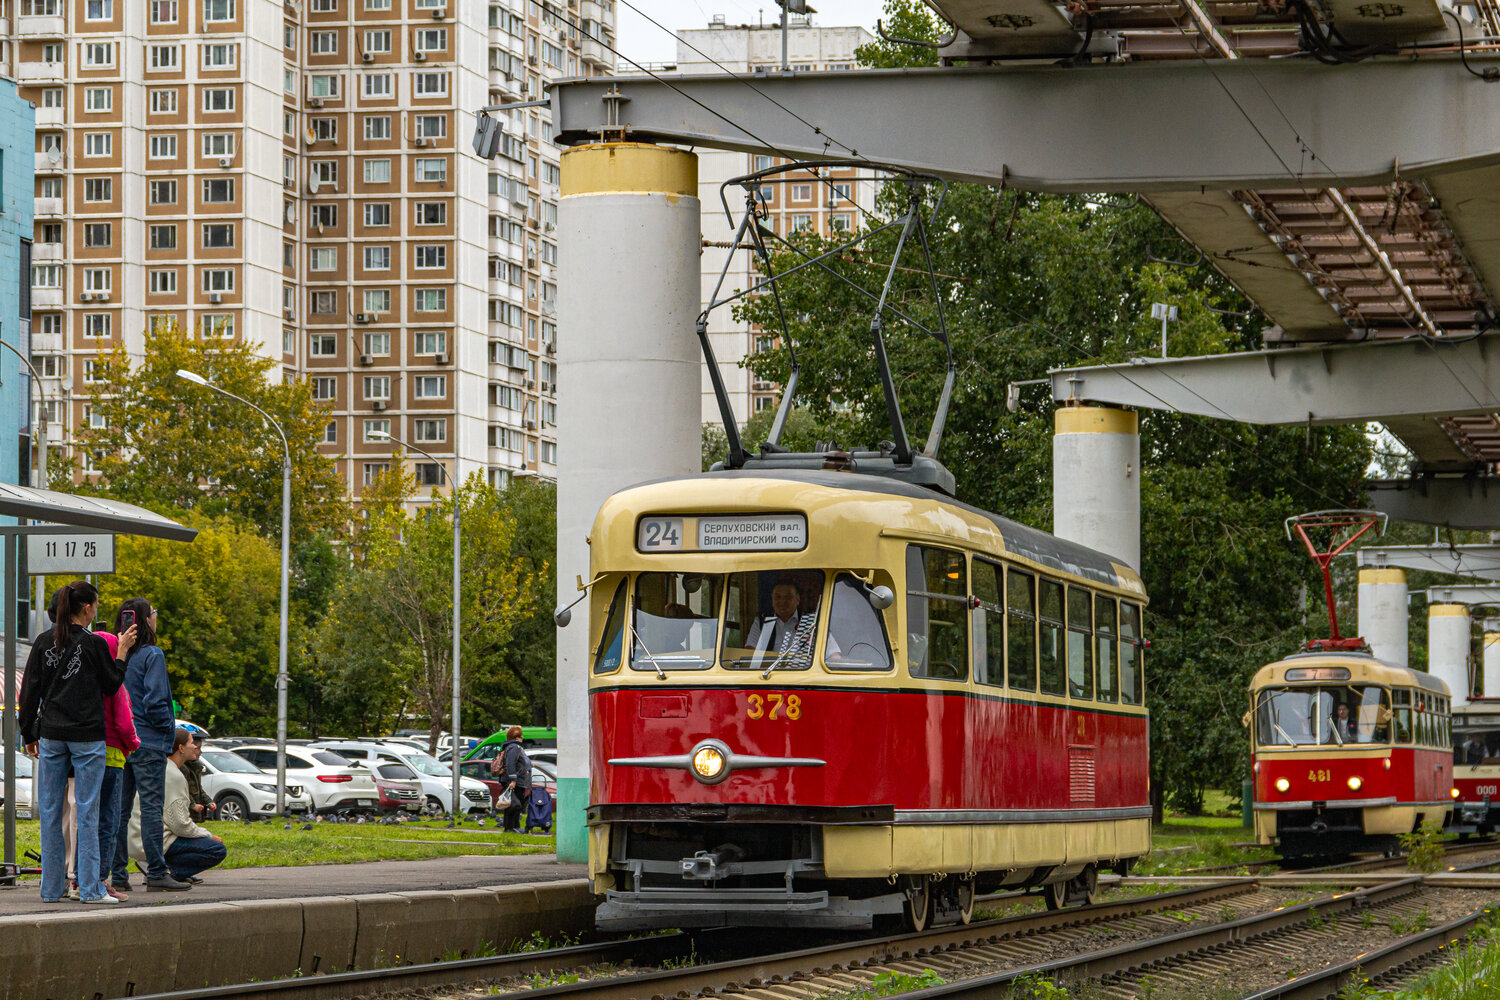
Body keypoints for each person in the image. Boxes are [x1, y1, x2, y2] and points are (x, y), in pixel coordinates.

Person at [17, 580, 137, 904]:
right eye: (95, 605)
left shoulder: (43, 643)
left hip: (52, 736)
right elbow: (112, 686)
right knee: (87, 813)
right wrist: (122, 653)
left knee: (52, 812)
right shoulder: (95, 644)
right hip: (87, 738)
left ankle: (51, 889)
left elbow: (28, 693)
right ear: (87, 608)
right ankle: (90, 888)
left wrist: (28, 734)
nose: (96, 610)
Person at [110, 598, 190, 893]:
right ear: (145, 619)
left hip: (123, 741)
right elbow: (156, 700)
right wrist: (167, 728)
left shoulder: (119, 656)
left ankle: (118, 874)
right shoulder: (152, 654)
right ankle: (156, 870)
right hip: (149, 741)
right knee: (151, 808)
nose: (156, 617)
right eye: (154, 613)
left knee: (120, 811)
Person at [129, 728, 226, 885]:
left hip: (138, 838)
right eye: (191, 743)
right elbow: (180, 824)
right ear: (180, 748)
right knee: (216, 849)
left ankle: (159, 868)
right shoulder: (174, 775)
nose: (195, 747)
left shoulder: (162, 768)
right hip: (157, 840)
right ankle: (164, 870)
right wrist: (208, 835)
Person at [96, 627, 139, 902]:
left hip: (86, 754)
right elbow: (124, 722)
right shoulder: (115, 685)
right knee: (109, 822)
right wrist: (134, 743)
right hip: (113, 756)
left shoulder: (88, 684)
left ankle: (77, 878)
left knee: (86, 820)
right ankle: (101, 879)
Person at [496, 726, 532, 834]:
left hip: (518, 780)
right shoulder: (514, 747)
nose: (522, 738)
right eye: (521, 736)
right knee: (514, 805)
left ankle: (511, 827)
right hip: (514, 781)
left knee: (512, 804)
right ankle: (511, 827)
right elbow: (510, 764)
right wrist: (513, 780)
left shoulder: (512, 747)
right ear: (517, 737)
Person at [180, 733, 215, 821]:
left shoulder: (195, 767)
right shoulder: (182, 769)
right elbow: (182, 791)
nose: (200, 751)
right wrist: (192, 805)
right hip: (186, 813)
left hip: (194, 813)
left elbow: (198, 788)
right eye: (197, 748)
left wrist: (208, 801)